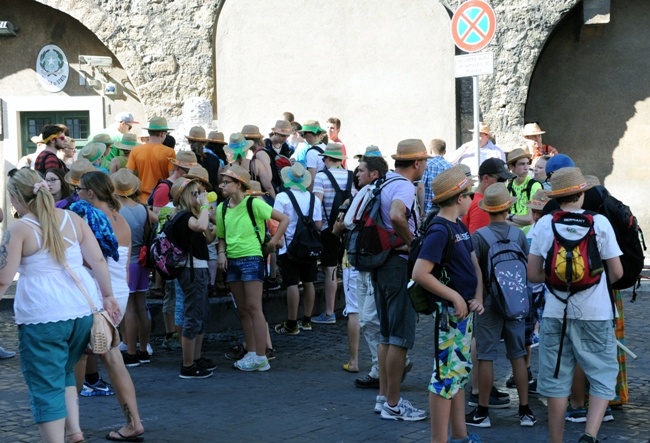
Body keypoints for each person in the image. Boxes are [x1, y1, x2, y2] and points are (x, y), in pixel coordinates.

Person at [0, 168, 120, 443]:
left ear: (17, 198)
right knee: (65, 371)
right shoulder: (73, 218)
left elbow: (3, 279)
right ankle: (74, 432)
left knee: (45, 384)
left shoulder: (20, 228)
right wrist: (108, 296)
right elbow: (98, 260)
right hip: (81, 312)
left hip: (43, 316)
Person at [527, 167, 623, 443]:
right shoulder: (600, 223)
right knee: (603, 373)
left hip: (556, 312)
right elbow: (616, 273)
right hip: (596, 313)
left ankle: (556, 440)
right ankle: (589, 434)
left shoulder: (544, 224)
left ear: (556, 198)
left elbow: (532, 274)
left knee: (556, 377)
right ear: (582, 194)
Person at [411, 165, 484, 443]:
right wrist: (454, 296)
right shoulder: (441, 229)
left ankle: (460, 435)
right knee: (444, 378)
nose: (472, 198)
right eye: (469, 194)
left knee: (458, 374)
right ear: (458, 198)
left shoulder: (458, 225)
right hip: (450, 313)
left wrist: (476, 297)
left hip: (463, 311)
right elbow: (420, 272)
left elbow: (474, 265)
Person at [72, 171, 146, 442]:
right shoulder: (121, 219)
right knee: (111, 357)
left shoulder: (90, 220)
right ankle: (133, 422)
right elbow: (123, 267)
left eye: (79, 189)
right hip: (118, 294)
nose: (76, 193)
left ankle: (72, 426)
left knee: (79, 356)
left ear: (90, 193)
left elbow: (91, 262)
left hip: (98, 295)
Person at [466, 183, 536, 429]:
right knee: (518, 355)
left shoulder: (479, 237)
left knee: (486, 356)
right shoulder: (519, 235)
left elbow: (475, 273)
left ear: (487, 210)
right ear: (508, 208)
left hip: (489, 304)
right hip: (516, 302)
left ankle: (482, 412)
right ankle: (525, 411)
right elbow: (527, 268)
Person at [374, 139, 429, 421]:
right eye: (425, 162)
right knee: (399, 337)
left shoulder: (383, 182)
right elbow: (397, 215)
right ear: (417, 163)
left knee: (386, 334)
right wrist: (413, 243)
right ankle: (394, 404)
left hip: (381, 264)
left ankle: (384, 397)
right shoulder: (405, 186)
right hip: (398, 264)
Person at [216, 165, 288, 372]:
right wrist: (222, 253)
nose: (222, 185)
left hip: (251, 259)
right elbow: (221, 236)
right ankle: (253, 352)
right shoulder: (222, 208)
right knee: (243, 309)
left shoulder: (253, 203)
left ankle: (260, 355)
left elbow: (284, 219)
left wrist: (273, 242)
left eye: (226, 182)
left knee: (254, 308)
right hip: (233, 261)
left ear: (238, 184)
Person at [167, 176, 218, 378]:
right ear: (186, 196)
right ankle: (187, 365)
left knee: (199, 316)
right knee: (192, 316)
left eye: (200, 193)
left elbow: (206, 238)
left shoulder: (190, 216)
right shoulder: (183, 216)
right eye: (195, 193)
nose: (199, 196)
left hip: (198, 268)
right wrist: (205, 208)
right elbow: (201, 228)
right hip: (192, 270)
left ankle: (195, 359)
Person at [111, 169, 157, 367]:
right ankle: (143, 349)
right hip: (143, 261)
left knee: (128, 308)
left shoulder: (114, 213)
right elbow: (152, 226)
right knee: (141, 306)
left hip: (126, 262)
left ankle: (130, 351)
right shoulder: (143, 209)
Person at [272, 163, 322, 335]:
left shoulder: (282, 197)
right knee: (309, 282)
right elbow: (318, 224)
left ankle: (291, 323)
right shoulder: (313, 198)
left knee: (292, 283)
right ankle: (307, 320)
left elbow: (274, 222)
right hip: (308, 247)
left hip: (288, 247)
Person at [312, 144, 354, 325]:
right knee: (348, 268)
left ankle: (330, 313)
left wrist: (317, 226)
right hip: (348, 228)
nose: (323, 162)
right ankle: (351, 308)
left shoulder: (321, 177)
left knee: (330, 269)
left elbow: (317, 203)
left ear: (328, 159)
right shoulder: (352, 176)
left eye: (324, 159)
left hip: (328, 229)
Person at [126, 116, 177, 203]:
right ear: (162, 134)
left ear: (149, 132)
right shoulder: (170, 152)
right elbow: (172, 177)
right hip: (161, 198)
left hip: (141, 198)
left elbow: (127, 175)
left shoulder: (135, 150)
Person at [461, 158, 514, 234]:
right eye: (501, 180)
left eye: (505, 181)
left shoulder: (474, 199)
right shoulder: (482, 206)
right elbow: (479, 241)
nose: (503, 184)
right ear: (486, 178)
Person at [251, 120, 294, 198]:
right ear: (275, 133)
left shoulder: (285, 146)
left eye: (287, 136)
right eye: (282, 135)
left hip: (282, 183)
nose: (285, 139)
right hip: (269, 184)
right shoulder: (266, 145)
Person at [506, 147, 541, 228]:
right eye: (521, 164)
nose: (526, 167)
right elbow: (502, 219)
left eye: (527, 163)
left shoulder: (534, 185)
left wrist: (509, 217)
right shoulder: (509, 186)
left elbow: (530, 219)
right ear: (511, 167)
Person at [418, 138, 452, 218]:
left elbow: (420, 187)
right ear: (444, 151)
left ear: (430, 151)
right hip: (445, 211)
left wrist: (421, 210)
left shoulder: (425, 165)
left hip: (428, 211)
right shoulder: (450, 167)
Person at [186, 126, 220, 191]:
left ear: (189, 141)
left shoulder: (187, 159)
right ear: (204, 142)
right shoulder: (214, 158)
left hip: (191, 196)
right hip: (212, 196)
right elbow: (218, 180)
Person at [301, 120, 328, 190]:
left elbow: (311, 179)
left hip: (319, 190)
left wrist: (310, 197)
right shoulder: (326, 147)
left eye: (303, 135)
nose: (304, 138)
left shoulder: (311, 152)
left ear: (309, 135)